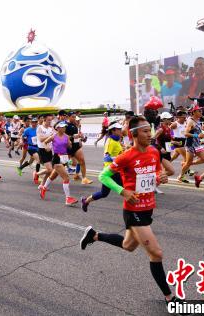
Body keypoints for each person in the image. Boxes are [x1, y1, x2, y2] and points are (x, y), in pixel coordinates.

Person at [79, 116, 185, 308]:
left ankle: (93, 235)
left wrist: (161, 176)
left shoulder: (153, 152)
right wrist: (123, 191)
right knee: (156, 253)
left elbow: (157, 174)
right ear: (134, 134)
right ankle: (170, 298)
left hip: (148, 208)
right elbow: (103, 175)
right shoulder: (126, 156)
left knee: (128, 245)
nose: (149, 134)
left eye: (149, 131)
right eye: (145, 131)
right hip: (133, 210)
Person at [81, 122, 123, 212]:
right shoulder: (110, 141)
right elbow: (106, 158)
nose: (121, 131)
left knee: (104, 193)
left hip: (116, 169)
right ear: (113, 131)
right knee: (127, 188)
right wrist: (120, 158)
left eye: (120, 129)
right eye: (119, 129)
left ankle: (86, 201)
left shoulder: (117, 140)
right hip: (111, 171)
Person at [39, 121, 78, 206]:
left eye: (65, 127)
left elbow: (69, 147)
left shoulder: (67, 136)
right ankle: (68, 199)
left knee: (53, 176)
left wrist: (70, 144)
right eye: (62, 127)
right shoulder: (53, 136)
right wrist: (47, 148)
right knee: (66, 178)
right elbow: (45, 142)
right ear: (58, 128)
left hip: (64, 158)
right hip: (56, 158)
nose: (64, 128)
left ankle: (43, 188)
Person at [177, 105, 204, 183]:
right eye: (199, 111)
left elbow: (198, 133)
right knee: (188, 163)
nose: (201, 112)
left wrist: (203, 135)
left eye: (201, 111)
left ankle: (185, 163)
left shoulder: (197, 120)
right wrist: (197, 135)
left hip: (197, 144)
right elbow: (186, 133)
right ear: (194, 112)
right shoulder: (191, 121)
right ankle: (180, 176)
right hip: (190, 145)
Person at [65, 112, 92, 184]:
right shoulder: (65, 125)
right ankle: (51, 176)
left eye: (75, 117)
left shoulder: (76, 126)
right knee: (71, 163)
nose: (74, 119)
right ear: (68, 117)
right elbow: (63, 136)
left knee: (82, 161)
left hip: (76, 146)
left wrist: (81, 138)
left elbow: (77, 137)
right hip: (68, 146)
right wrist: (72, 137)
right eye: (73, 117)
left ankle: (84, 179)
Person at [17, 118, 41, 183]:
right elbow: (22, 136)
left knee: (30, 162)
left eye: (35, 122)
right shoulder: (27, 130)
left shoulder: (39, 129)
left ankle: (20, 168)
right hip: (31, 147)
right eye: (33, 122)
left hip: (38, 147)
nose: (34, 124)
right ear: (31, 123)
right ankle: (36, 177)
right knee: (38, 161)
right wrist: (22, 141)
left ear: (37, 123)